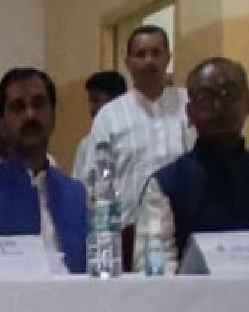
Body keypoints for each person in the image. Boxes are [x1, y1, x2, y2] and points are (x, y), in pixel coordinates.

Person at [138, 58, 249, 272]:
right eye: (205, 97)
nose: (218, 107)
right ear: (190, 113)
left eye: (228, 94)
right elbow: (156, 276)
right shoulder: (165, 187)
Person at [0, 68, 88, 274]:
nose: (30, 115)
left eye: (39, 104)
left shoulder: (79, 196)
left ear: (53, 116)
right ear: (0, 123)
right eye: (18, 107)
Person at [73, 26, 188, 224]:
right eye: (141, 54)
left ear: (168, 58)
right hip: (129, 233)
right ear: (127, 62)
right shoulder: (109, 116)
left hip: (184, 228)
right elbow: (99, 185)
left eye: (156, 53)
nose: (149, 61)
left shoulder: (189, 104)